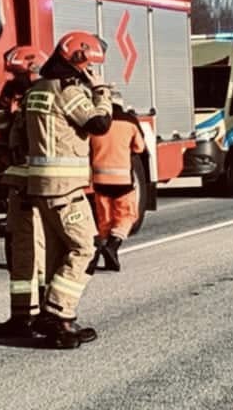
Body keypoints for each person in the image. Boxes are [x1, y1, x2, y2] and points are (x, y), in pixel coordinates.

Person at [19, 32, 115, 348]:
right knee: (87, 249)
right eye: (88, 66)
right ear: (78, 62)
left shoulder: (37, 89)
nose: (89, 71)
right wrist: (101, 91)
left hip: (41, 185)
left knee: (57, 253)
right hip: (65, 187)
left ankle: (60, 322)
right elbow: (99, 124)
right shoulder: (67, 90)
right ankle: (56, 313)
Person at [0, 44, 48, 338]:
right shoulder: (10, 95)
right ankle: (25, 314)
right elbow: (1, 128)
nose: (15, 80)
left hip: (41, 185)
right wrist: (7, 108)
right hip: (20, 185)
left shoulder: (46, 95)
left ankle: (46, 312)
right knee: (20, 249)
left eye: (19, 74)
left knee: (39, 248)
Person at [87, 92, 146, 274]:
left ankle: (103, 257)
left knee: (104, 220)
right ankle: (113, 246)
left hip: (99, 181)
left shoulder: (96, 123)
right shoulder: (130, 121)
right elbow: (139, 147)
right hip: (123, 181)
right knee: (126, 216)